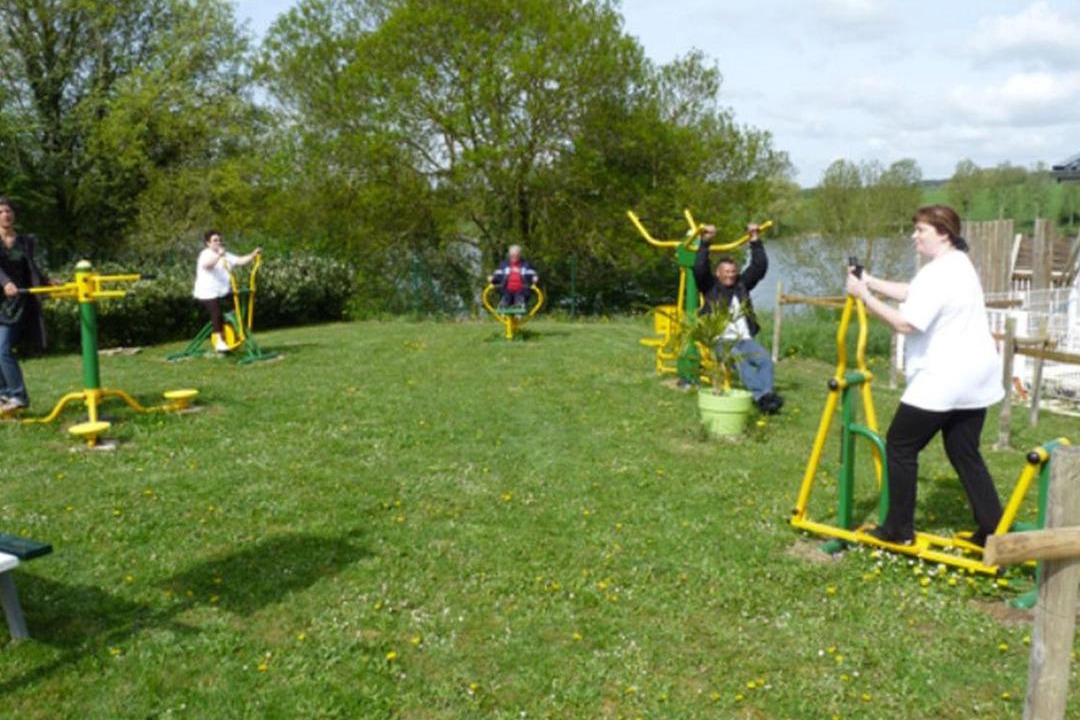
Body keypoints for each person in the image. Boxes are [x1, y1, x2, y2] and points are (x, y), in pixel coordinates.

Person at [845, 204, 1004, 547]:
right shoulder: (958, 264)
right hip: (976, 376)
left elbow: (907, 322)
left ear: (944, 234)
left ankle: (898, 529)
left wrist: (864, 296)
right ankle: (992, 528)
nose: (914, 236)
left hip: (944, 376)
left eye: (921, 231)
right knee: (964, 450)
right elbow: (912, 292)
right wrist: (869, 279)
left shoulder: (939, 273)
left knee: (901, 445)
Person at [693, 223, 783, 414]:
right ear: (718, 273)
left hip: (745, 339)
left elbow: (759, 267)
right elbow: (700, 268)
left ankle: (767, 394)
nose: (730, 276)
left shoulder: (742, 284)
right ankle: (762, 398)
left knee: (765, 359)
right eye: (726, 272)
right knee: (740, 360)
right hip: (721, 341)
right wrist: (706, 241)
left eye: (733, 272)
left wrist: (755, 239)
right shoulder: (710, 286)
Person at [0, 197, 50, 414]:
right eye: (1, 212)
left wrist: (47, 281)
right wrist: (5, 283)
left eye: (8, 211)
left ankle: (18, 395)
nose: (5, 215)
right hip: (1, 298)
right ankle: (4, 396)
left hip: (16, 303)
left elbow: (31, 266)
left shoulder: (25, 241)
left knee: (2, 349)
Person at [193, 230, 261, 353]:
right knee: (217, 313)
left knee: (237, 309)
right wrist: (219, 256)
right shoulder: (206, 254)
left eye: (219, 240)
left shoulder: (225, 254)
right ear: (208, 243)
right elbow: (207, 265)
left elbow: (240, 261)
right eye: (215, 240)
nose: (218, 242)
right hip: (207, 292)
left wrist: (252, 255)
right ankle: (219, 341)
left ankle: (233, 333)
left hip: (222, 291)